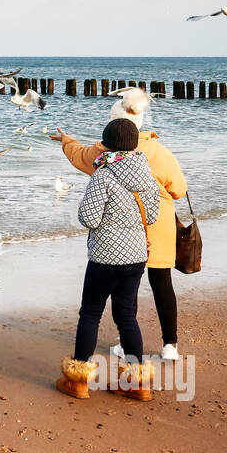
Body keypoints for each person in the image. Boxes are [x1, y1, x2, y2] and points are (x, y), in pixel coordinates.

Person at [51, 89, 188, 361]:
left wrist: (67, 140)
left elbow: (79, 156)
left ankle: (118, 350)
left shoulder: (102, 157)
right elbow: (179, 191)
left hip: (114, 239)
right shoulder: (159, 153)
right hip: (155, 228)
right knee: (161, 284)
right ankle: (169, 345)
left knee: (115, 301)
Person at [56, 118, 160, 402]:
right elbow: (150, 216)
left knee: (90, 314)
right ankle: (137, 383)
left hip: (105, 256)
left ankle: (78, 382)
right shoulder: (146, 174)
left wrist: (85, 207)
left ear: (106, 144)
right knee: (126, 315)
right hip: (136, 256)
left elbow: (88, 218)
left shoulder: (103, 174)